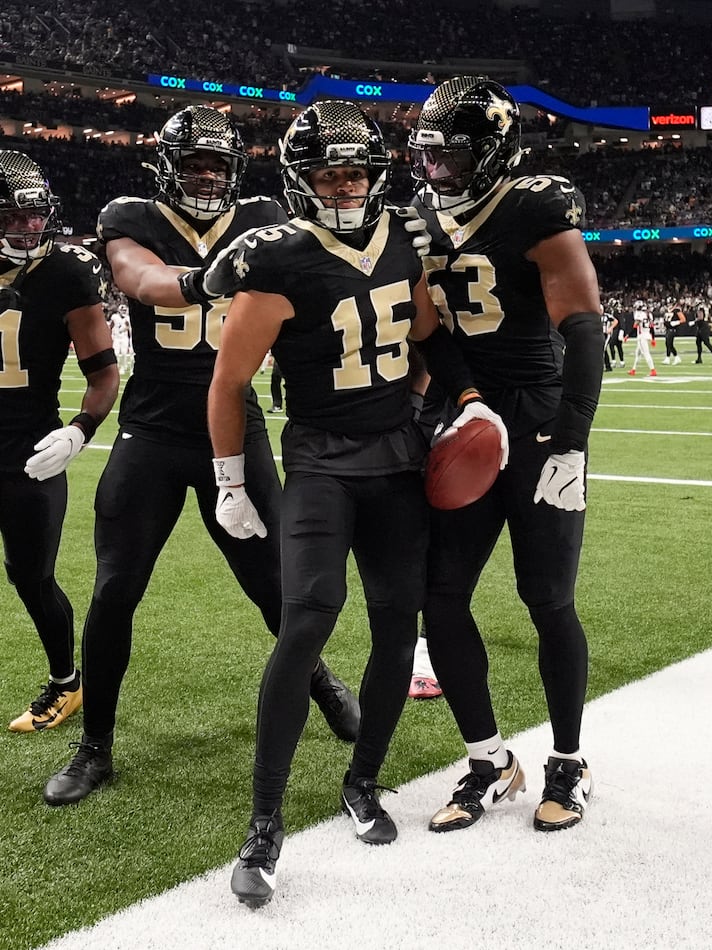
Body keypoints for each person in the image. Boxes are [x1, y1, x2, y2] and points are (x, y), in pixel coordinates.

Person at [207, 100, 506, 907]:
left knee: (393, 624)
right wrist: (231, 479)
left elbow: (428, 333)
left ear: (376, 174)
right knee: (306, 618)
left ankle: (361, 778)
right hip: (320, 460)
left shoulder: (405, 236)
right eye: (327, 174)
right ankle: (263, 823)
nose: (343, 186)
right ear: (300, 181)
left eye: (354, 172)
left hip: (397, 457)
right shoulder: (280, 258)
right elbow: (229, 380)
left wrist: (465, 396)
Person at [43, 105, 360, 808]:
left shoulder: (263, 213)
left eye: (219, 165)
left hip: (235, 427)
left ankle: (320, 680)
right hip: (153, 430)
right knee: (115, 590)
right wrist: (209, 279)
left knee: (278, 587)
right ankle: (95, 745)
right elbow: (137, 276)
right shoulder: (132, 215)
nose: (209, 176)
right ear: (168, 169)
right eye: (196, 165)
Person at [409, 75, 602, 834]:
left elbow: (583, 325)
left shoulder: (534, 205)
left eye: (453, 156)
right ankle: (489, 760)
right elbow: (423, 331)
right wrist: (445, 403)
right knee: (442, 595)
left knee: (547, 595)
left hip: (535, 414)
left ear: (492, 153)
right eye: (430, 155)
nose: (437, 171)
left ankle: (568, 760)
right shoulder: (418, 215)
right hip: (459, 414)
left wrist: (573, 440)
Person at [0, 150, 119, 733]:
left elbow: (103, 373)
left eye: (34, 215)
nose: (29, 227)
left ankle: (66, 683)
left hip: (27, 452)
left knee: (30, 575)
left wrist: (79, 431)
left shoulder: (67, 272)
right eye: (11, 216)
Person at [627, 299, 657, 377]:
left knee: (646, 353)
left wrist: (627, 335)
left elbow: (634, 327)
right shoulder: (649, 314)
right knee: (638, 353)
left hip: (642, 336)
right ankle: (633, 369)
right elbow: (652, 327)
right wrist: (653, 338)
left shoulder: (639, 314)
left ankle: (653, 370)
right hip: (647, 335)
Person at [662, 299, 684, 365]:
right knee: (667, 344)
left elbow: (683, 319)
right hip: (668, 329)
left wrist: (675, 323)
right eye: (668, 303)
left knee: (669, 344)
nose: (669, 304)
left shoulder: (676, 310)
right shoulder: (667, 310)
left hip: (672, 329)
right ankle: (668, 358)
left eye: (670, 303)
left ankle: (676, 357)